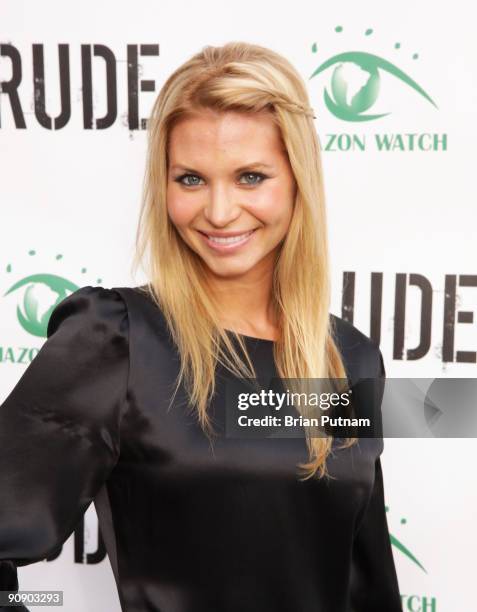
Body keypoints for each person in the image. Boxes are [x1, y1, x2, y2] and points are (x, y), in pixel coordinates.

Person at [0, 41, 401, 611]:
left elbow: (368, 585)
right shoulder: (117, 339)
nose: (218, 211)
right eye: (190, 179)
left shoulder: (349, 359)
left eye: (250, 177)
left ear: (297, 181)